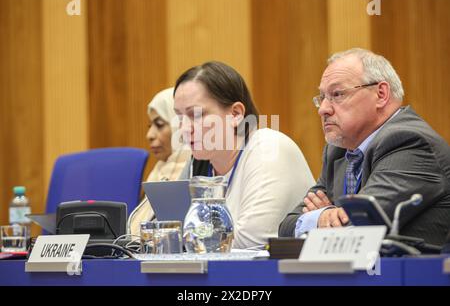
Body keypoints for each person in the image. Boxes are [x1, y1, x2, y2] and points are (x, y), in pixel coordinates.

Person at [279, 48, 450, 246]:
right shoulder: (339, 151)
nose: (324, 109)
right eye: (322, 97)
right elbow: (287, 226)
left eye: (337, 94)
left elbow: (361, 228)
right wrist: (324, 215)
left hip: (414, 275)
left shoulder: (410, 142)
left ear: (381, 94)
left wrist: (322, 220)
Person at [174, 61, 315, 249]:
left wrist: (191, 241)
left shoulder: (269, 148)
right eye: (180, 117)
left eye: (196, 115)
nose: (184, 129)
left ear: (236, 114)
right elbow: (171, 233)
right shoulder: (199, 163)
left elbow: (251, 242)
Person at [128, 88, 191, 236]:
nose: (149, 135)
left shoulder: (198, 169)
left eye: (160, 124)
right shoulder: (159, 170)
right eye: (150, 126)